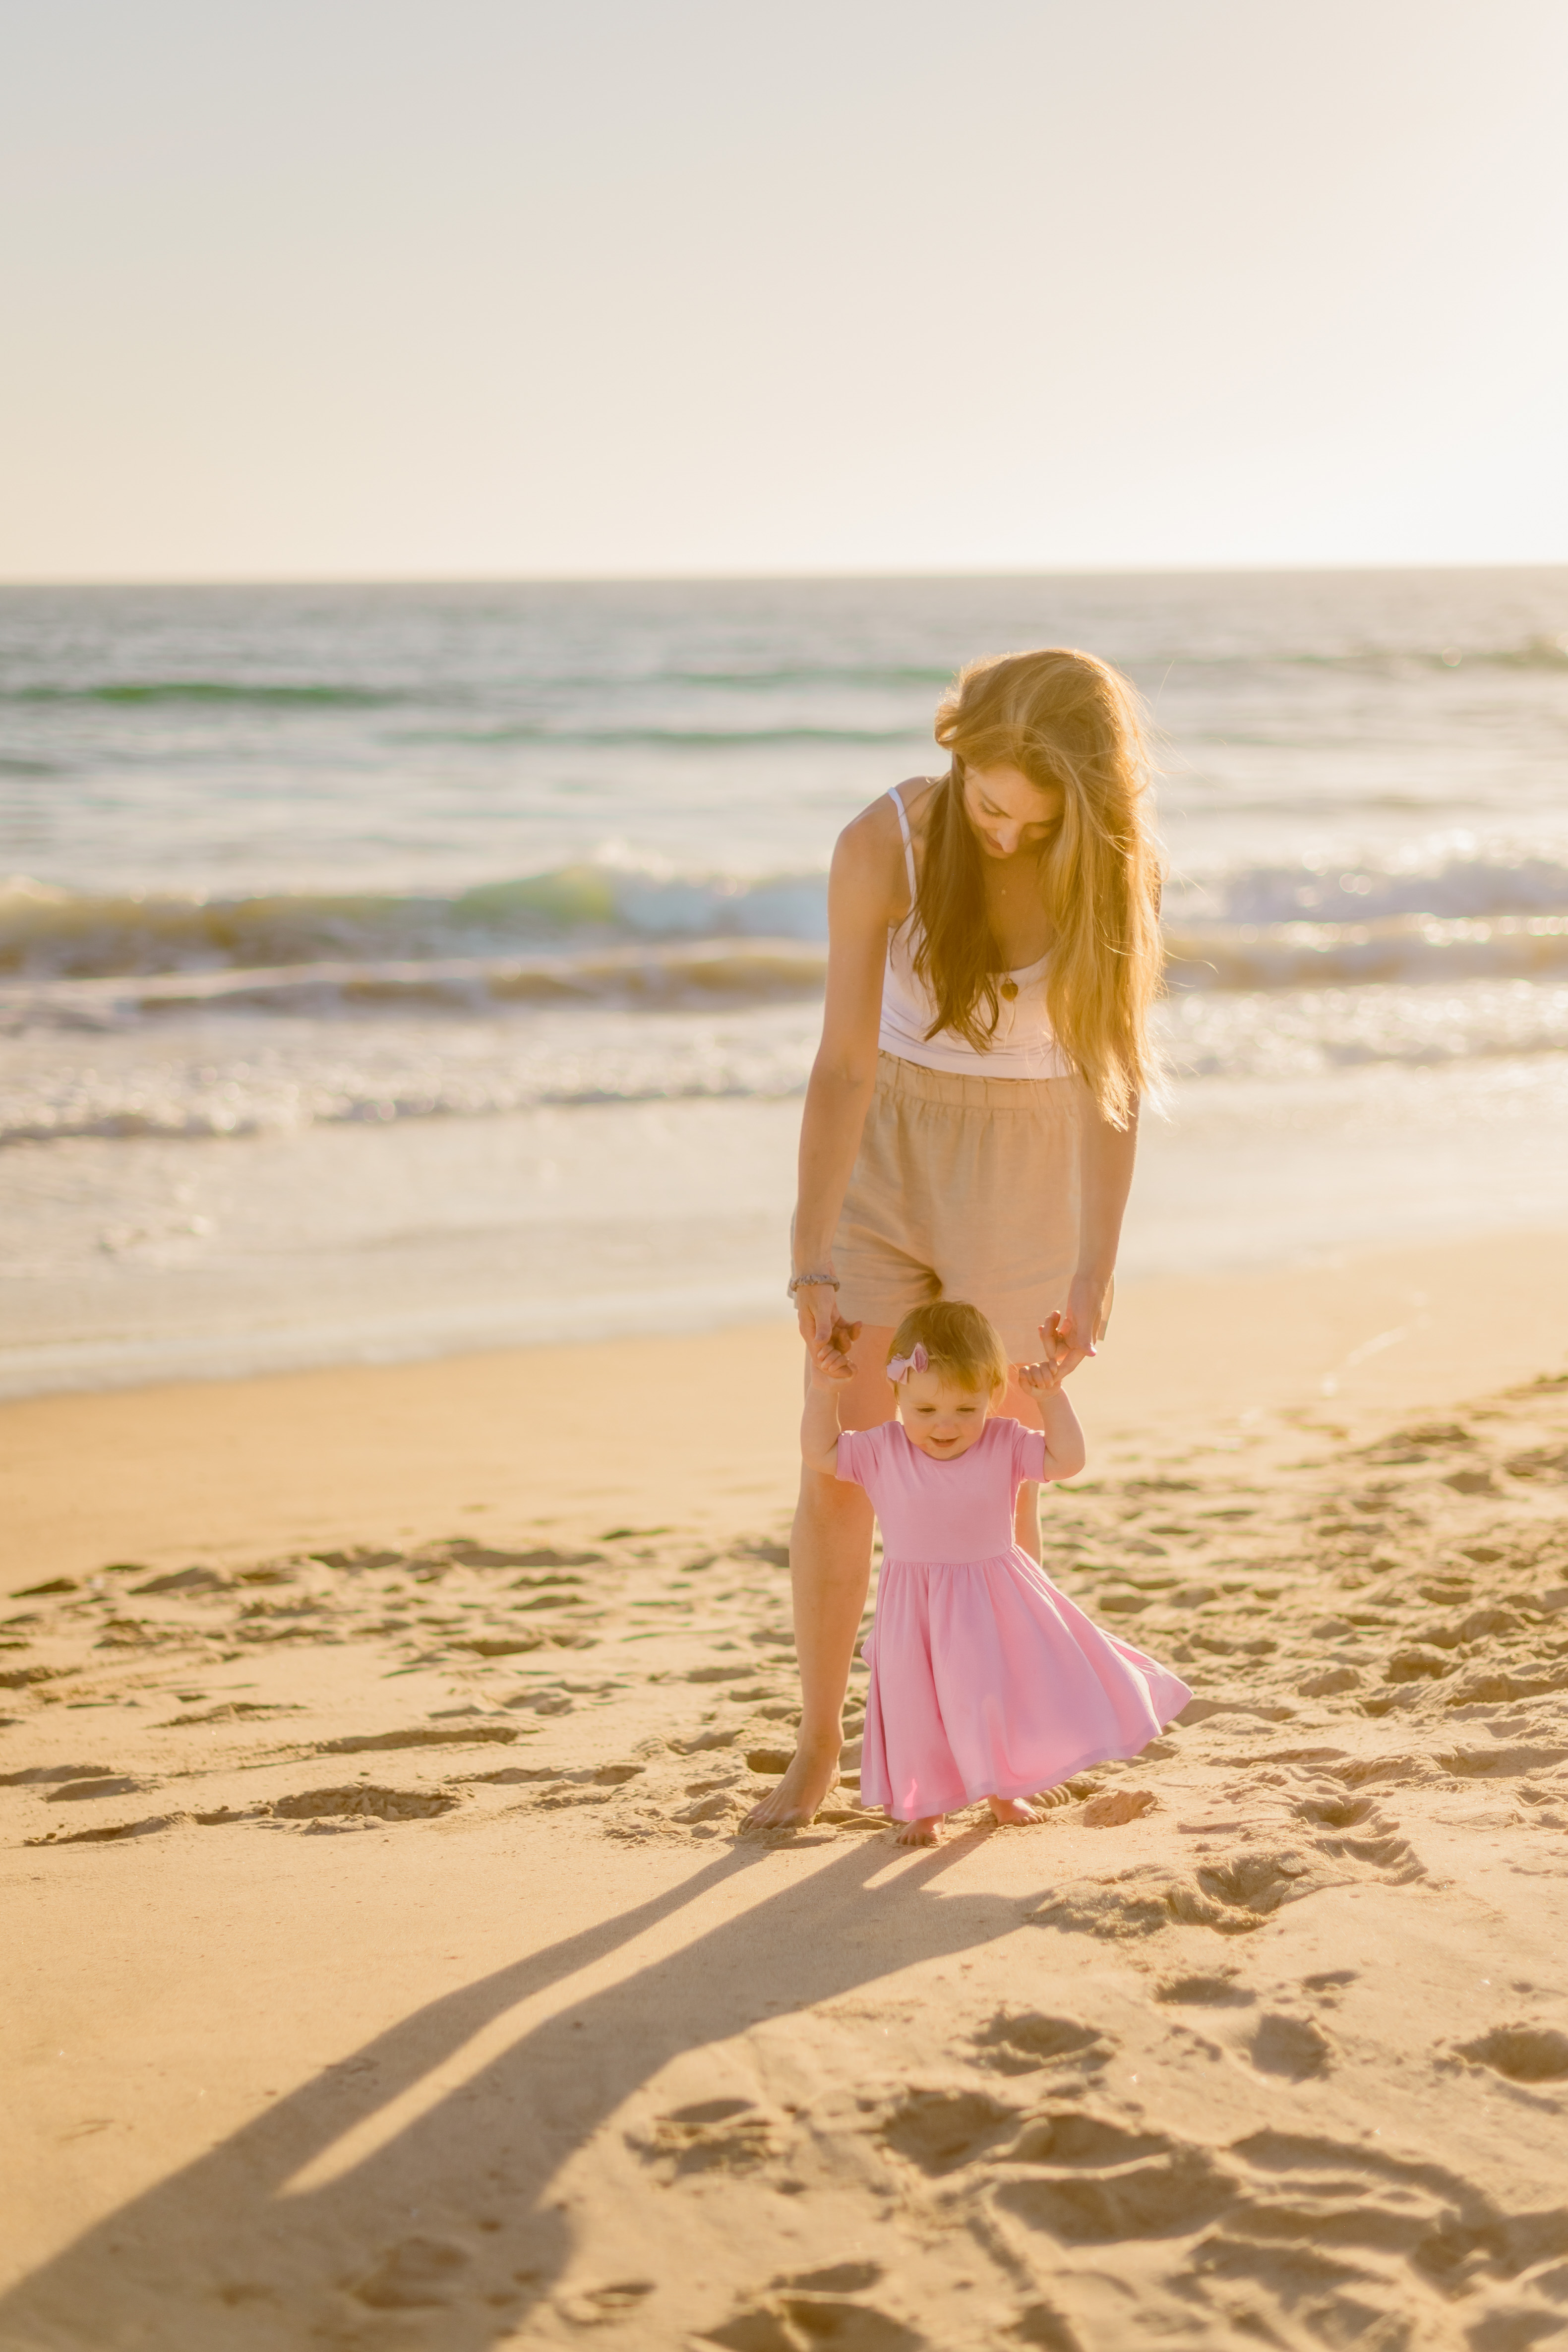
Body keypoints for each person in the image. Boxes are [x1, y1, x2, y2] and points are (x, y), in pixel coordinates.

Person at [747, 645, 1164, 1831]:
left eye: (1033, 826)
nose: (1001, 836)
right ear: (954, 745)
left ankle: (997, 1749)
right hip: (885, 1150)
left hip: (1021, 1158)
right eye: (988, 807)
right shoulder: (879, 841)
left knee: (990, 1473)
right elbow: (839, 1062)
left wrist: (1095, 1270)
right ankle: (819, 1743)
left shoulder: (1104, 866)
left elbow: (1107, 1077)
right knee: (839, 1453)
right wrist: (809, 1248)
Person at [799, 1301, 1191, 1846]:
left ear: (993, 1397)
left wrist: (1051, 1398)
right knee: (920, 1704)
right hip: (916, 1609)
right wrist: (825, 1390)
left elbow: (1067, 1461)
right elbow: (820, 1452)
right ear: (897, 1397)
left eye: (965, 1409)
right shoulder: (882, 1450)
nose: (945, 1425)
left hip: (992, 1599)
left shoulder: (1003, 1443)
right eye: (926, 1409)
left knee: (992, 1696)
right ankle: (927, 1807)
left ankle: (1004, 1791)